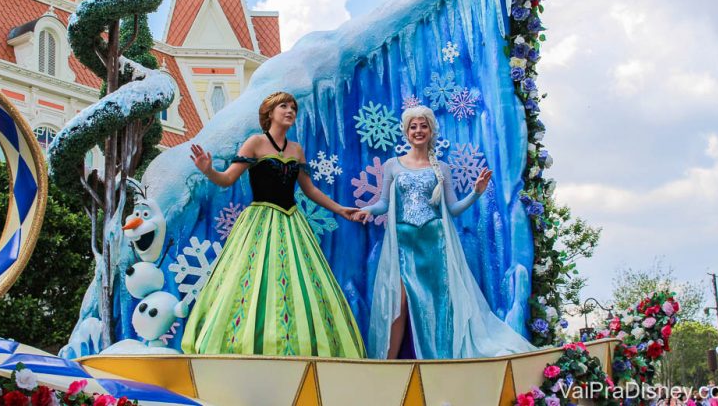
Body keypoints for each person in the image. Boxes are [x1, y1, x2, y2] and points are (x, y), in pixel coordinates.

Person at [181, 92, 365, 357]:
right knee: (253, 280)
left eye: (293, 107)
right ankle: (249, 345)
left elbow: (310, 190)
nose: (290, 111)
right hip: (260, 222)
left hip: (292, 222)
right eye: (283, 106)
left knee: (295, 283)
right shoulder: (255, 143)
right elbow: (227, 180)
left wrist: (341, 209)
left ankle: (298, 345)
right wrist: (208, 169)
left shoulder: (296, 149)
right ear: (269, 112)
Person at [352, 105, 535, 359]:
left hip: (434, 244)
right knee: (399, 302)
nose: (418, 130)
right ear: (406, 132)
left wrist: (476, 192)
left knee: (438, 303)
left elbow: (453, 209)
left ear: (430, 131)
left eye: (423, 126)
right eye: (413, 126)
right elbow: (384, 203)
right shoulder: (393, 165)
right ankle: (387, 362)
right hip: (405, 244)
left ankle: (440, 358)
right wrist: (369, 210)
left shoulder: (442, 169)